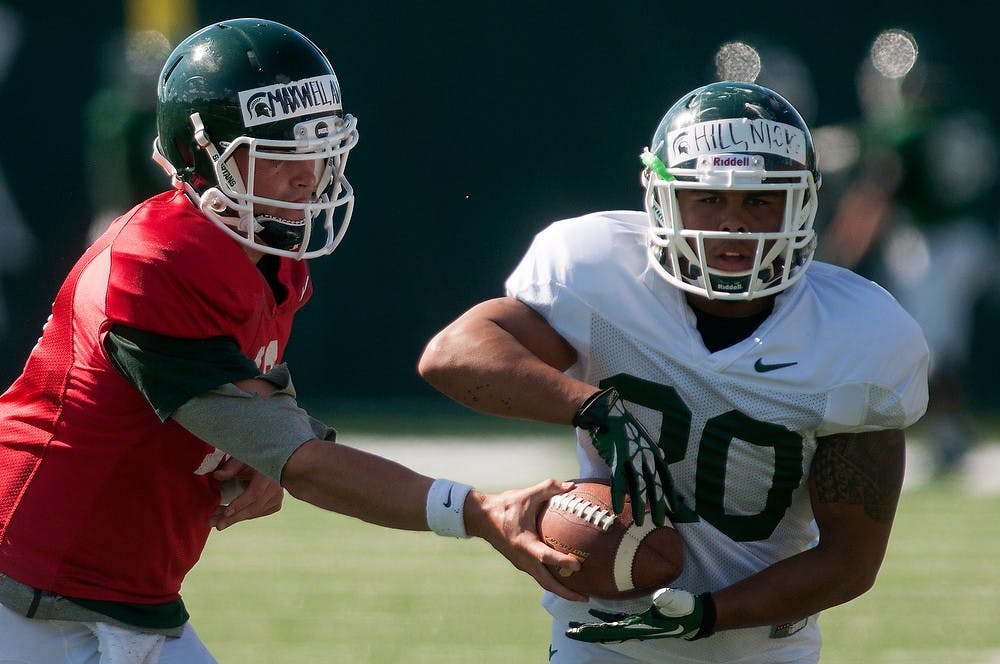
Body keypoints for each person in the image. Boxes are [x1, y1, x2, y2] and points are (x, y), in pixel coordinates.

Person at [0, 18, 583, 663]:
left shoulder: (268, 253)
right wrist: (478, 511)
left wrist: (261, 445)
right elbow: (299, 461)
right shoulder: (154, 266)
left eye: (317, 145)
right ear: (202, 155)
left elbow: (265, 424)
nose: (307, 173)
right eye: (278, 150)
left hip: (124, 595)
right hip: (26, 591)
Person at [418, 81, 929, 663]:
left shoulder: (859, 335)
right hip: (604, 638)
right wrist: (591, 405)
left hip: (759, 645)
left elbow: (850, 560)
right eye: (707, 198)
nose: (733, 225)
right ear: (663, 198)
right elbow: (453, 355)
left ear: (802, 205)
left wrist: (708, 615)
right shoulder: (601, 269)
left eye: (760, 201)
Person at [820, 28, 998, 477]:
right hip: (977, 237)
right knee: (942, 347)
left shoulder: (903, 130)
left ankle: (950, 438)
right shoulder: (960, 116)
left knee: (929, 349)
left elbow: (875, 195)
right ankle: (952, 433)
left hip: (933, 247)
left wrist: (841, 251)